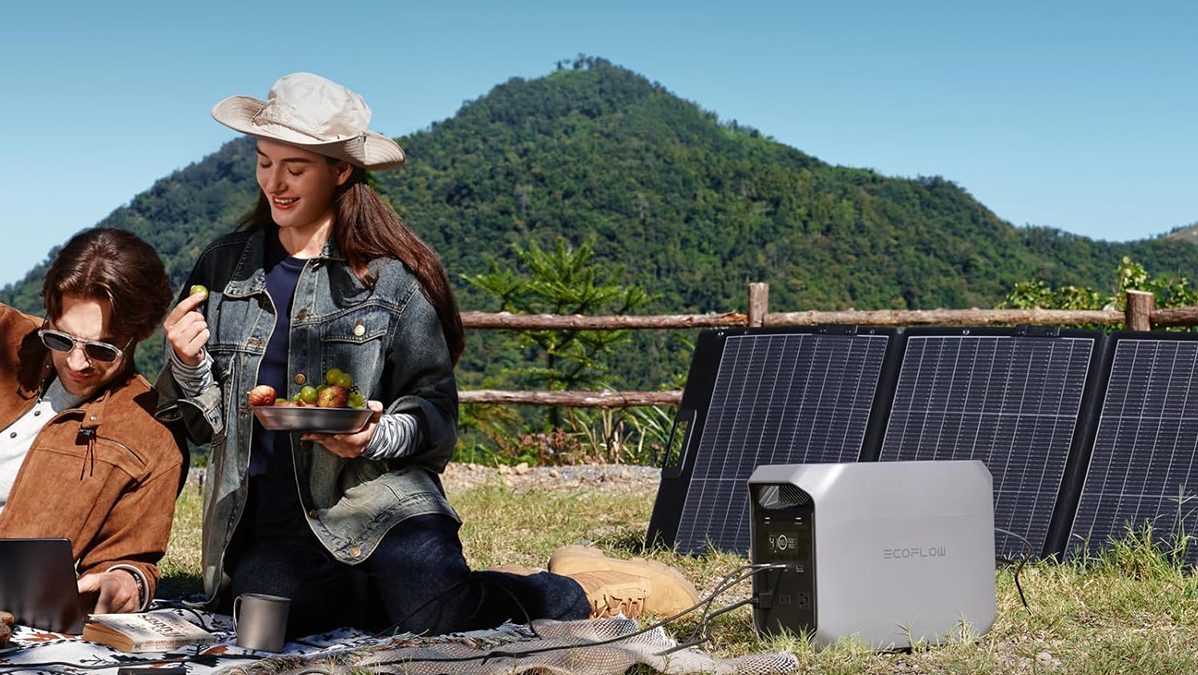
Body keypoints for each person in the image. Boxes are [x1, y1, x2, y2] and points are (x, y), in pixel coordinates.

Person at [156, 72, 697, 637]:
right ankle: (436, 586)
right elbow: (198, 427)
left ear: (341, 171)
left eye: (295, 169)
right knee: (269, 620)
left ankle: (587, 589)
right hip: (270, 523)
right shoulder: (223, 268)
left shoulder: (392, 281)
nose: (275, 183)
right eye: (265, 162)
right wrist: (187, 364)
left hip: (382, 501)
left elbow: (435, 418)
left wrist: (374, 436)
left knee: (435, 615)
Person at [0, 227, 182, 614]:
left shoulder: (151, 437)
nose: (78, 362)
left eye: (101, 348)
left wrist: (122, 584)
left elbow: (133, 565)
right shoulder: (5, 337)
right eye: (61, 339)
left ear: (139, 335)